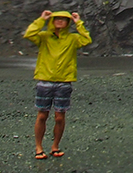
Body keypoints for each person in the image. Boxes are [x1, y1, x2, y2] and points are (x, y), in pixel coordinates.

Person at [24, 10, 91, 160]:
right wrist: (42, 19)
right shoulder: (44, 37)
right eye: (57, 18)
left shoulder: (73, 39)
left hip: (64, 81)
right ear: (52, 21)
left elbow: (87, 40)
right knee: (42, 115)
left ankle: (55, 146)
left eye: (63, 19)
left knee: (60, 117)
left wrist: (78, 22)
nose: (60, 21)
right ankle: (38, 147)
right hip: (45, 80)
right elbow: (29, 34)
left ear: (68, 22)